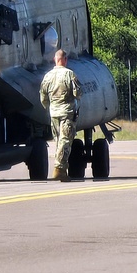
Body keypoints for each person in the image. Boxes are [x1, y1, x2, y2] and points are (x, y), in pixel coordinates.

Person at [40, 49, 84, 182]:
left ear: (55, 59)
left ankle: (62, 169)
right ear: (65, 59)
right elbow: (78, 93)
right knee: (65, 141)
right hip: (66, 112)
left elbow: (43, 96)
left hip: (53, 113)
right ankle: (59, 169)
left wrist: (49, 106)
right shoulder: (70, 74)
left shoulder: (47, 76)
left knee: (59, 141)